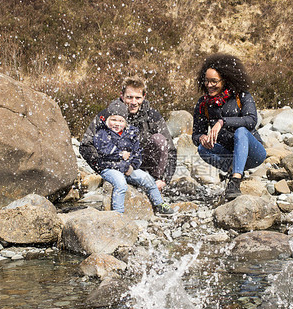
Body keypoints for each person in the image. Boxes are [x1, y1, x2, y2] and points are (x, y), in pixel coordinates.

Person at [80, 76, 177, 192]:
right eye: (129, 97)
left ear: (144, 97)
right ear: (122, 96)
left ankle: (154, 184)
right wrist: (102, 166)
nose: (134, 102)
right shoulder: (108, 114)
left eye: (138, 98)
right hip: (114, 165)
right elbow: (86, 144)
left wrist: (165, 179)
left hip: (143, 164)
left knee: (159, 139)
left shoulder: (153, 116)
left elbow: (171, 150)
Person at [192, 53, 266, 200]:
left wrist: (222, 122)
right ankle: (233, 170)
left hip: (253, 153)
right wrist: (202, 138)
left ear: (225, 80)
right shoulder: (203, 104)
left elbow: (251, 120)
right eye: (206, 81)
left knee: (241, 131)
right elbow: (195, 134)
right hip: (228, 154)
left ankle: (235, 180)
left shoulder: (241, 96)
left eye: (214, 81)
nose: (209, 85)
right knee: (202, 149)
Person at [92, 101, 174, 214]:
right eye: (113, 120)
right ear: (107, 121)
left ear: (125, 123)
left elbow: (137, 152)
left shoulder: (131, 134)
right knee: (121, 185)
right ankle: (118, 213)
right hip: (110, 168)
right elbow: (105, 151)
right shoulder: (102, 134)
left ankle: (159, 204)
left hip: (127, 168)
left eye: (120, 121)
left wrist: (133, 164)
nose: (116, 124)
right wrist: (120, 155)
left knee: (147, 178)